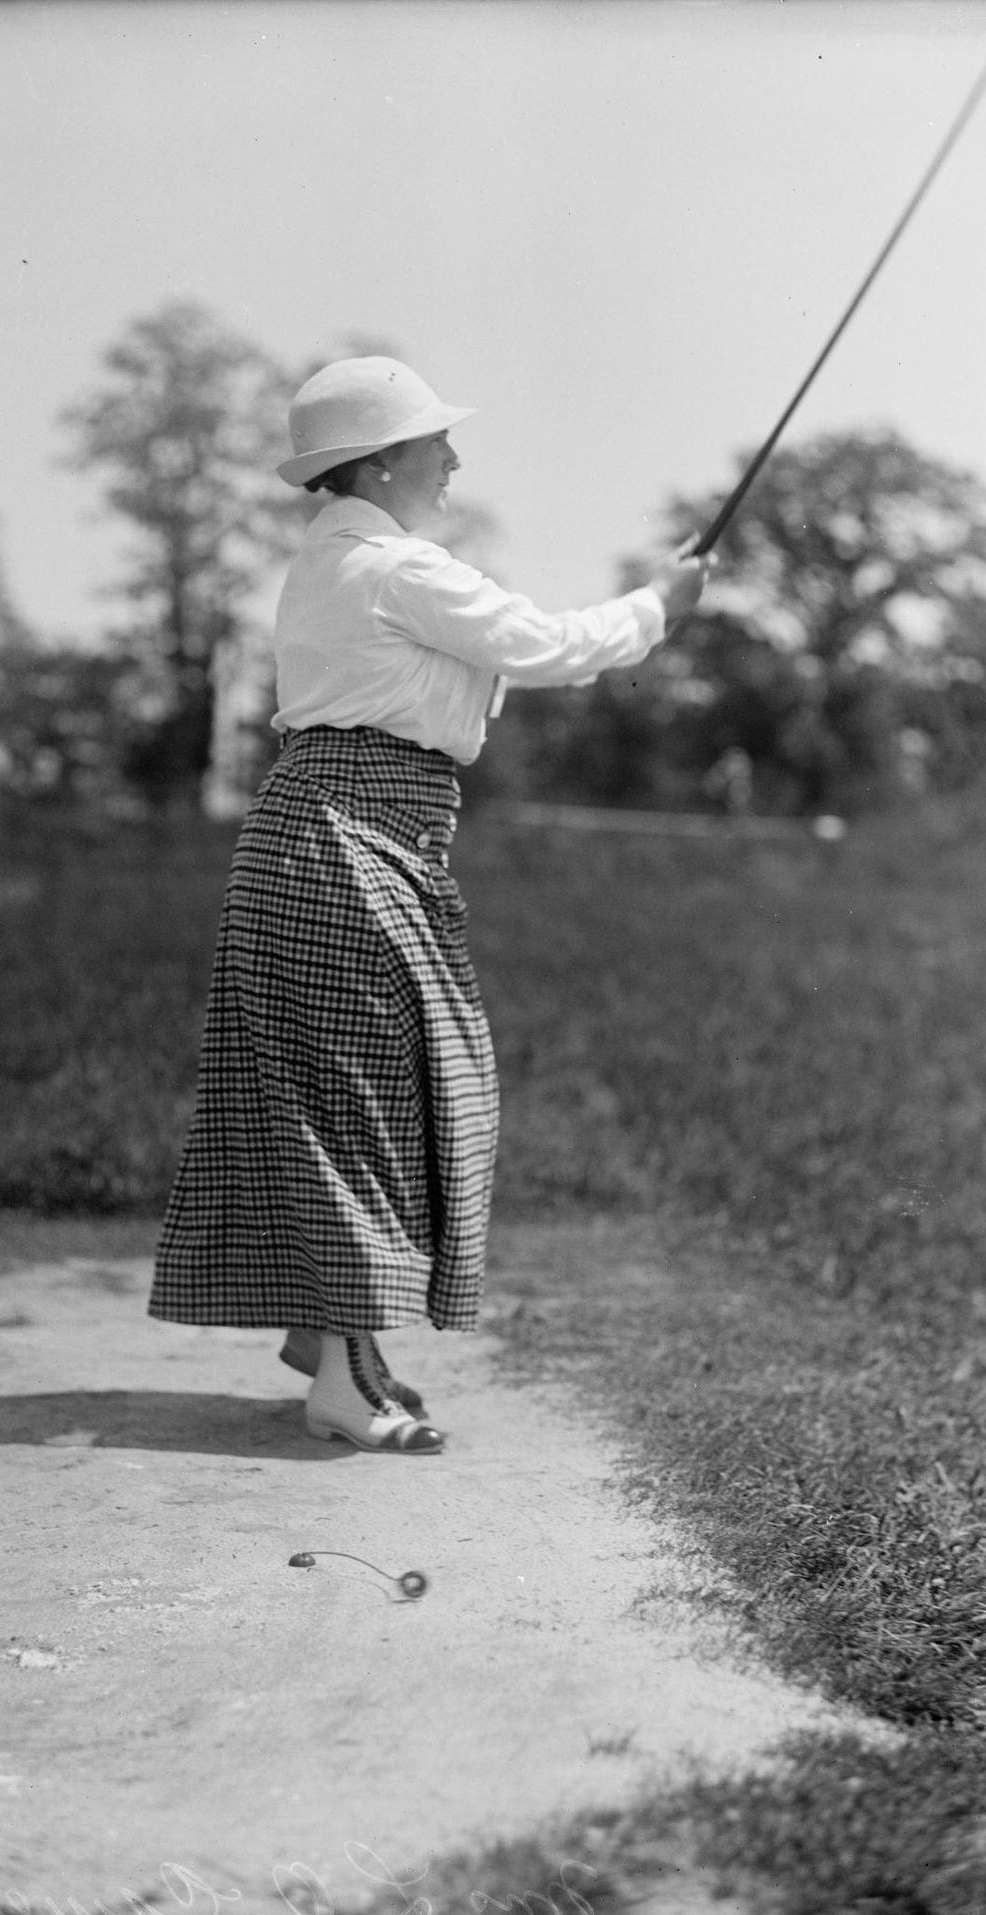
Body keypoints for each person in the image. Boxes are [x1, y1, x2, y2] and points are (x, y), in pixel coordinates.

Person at [148, 356, 709, 1454]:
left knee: (357, 1097)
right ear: (384, 460)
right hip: (344, 843)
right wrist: (661, 604)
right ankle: (343, 1383)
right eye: (434, 442)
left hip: (341, 839)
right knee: (369, 1103)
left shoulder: (341, 561)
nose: (452, 459)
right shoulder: (391, 567)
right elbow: (547, 646)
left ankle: (335, 1342)